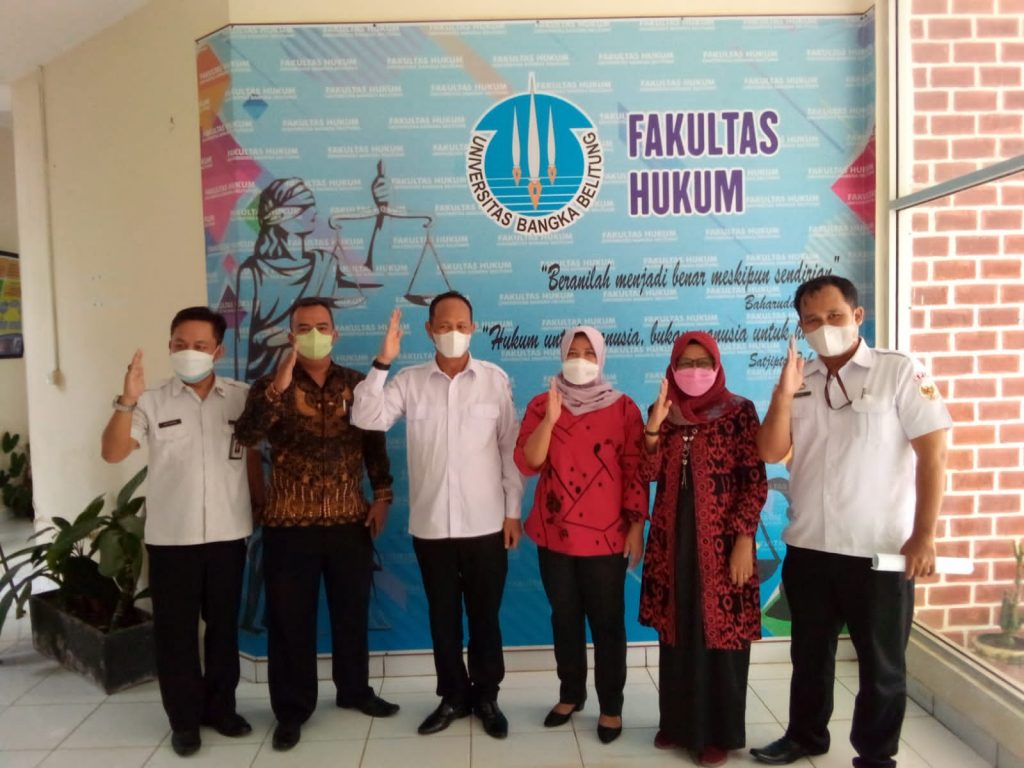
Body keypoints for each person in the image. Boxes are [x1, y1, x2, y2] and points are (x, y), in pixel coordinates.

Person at [749, 276, 951, 768]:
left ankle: (876, 756)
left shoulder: (898, 371)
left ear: (858, 316)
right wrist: (782, 394)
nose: (825, 327)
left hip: (877, 552)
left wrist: (923, 534)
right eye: (812, 320)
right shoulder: (802, 380)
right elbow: (771, 452)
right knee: (809, 657)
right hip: (810, 548)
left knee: (881, 665)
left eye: (835, 316)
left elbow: (934, 454)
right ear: (801, 327)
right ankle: (805, 736)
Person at [351, 291, 524, 739]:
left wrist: (512, 512)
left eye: (461, 326)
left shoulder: (494, 380)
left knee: (485, 617)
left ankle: (487, 696)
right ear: (429, 330)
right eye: (444, 326)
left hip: (487, 524)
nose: (453, 333)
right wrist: (383, 361)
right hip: (431, 527)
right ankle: (453, 696)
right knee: (443, 618)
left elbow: (510, 449)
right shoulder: (409, 381)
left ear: (474, 329)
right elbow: (366, 417)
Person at [233, 296, 399, 752]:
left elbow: (374, 444)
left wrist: (383, 496)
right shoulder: (268, 386)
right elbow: (246, 436)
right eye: (304, 328)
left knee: (352, 613)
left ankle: (355, 690)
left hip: (349, 519)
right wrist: (277, 387)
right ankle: (292, 709)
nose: (313, 334)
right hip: (288, 524)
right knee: (290, 622)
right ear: (291, 336)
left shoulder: (357, 384)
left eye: (322, 326)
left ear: (335, 333)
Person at [100, 307, 256, 757]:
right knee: (176, 635)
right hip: (172, 540)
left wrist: (261, 503)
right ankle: (184, 721)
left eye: (200, 345)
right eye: (180, 344)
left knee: (223, 630)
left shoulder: (241, 397)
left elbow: (251, 456)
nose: (189, 352)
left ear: (218, 351)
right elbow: (113, 453)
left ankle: (222, 710)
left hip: (228, 534)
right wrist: (126, 400)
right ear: (169, 346)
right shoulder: (150, 401)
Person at [638, 331, 768, 768]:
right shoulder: (663, 410)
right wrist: (654, 426)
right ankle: (677, 724)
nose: (694, 371)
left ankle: (719, 733)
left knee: (721, 636)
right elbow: (647, 472)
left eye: (703, 362)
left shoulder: (738, 412)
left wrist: (744, 539)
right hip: (672, 542)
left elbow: (754, 479)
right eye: (685, 363)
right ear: (673, 367)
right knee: (677, 630)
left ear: (717, 365)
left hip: (724, 543)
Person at [514, 326, 648, 744]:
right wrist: (550, 421)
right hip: (554, 535)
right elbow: (528, 462)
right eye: (573, 352)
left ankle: (611, 706)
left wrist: (636, 527)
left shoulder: (624, 408)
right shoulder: (542, 404)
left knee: (607, 623)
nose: (581, 359)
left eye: (589, 353)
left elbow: (635, 470)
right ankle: (571, 694)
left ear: (602, 358)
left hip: (607, 537)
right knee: (564, 618)